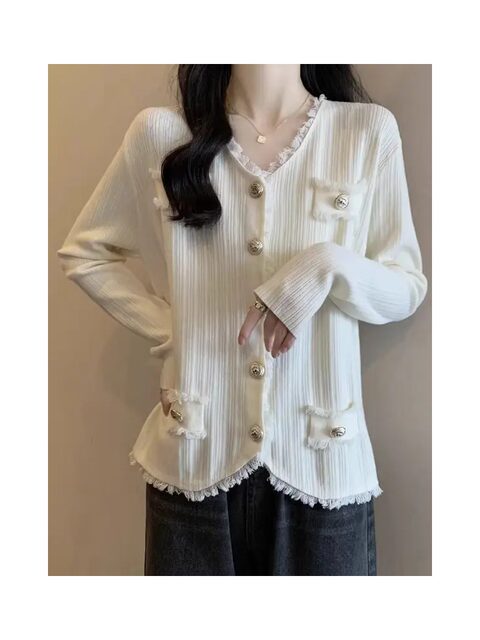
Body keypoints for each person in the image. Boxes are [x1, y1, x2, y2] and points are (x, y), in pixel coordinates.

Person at [56, 64, 428, 576]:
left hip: (325, 465)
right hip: (192, 464)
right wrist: (176, 331)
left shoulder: (364, 131)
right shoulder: (161, 135)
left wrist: (326, 265)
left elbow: (406, 287)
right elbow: (86, 253)